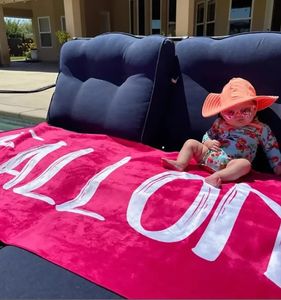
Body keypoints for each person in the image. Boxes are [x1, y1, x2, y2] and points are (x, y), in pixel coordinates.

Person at [162, 77, 281, 188]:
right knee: (191, 143)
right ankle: (180, 163)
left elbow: (271, 147)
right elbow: (208, 135)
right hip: (208, 156)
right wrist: (208, 142)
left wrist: (277, 166)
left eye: (245, 111)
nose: (238, 116)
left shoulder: (261, 128)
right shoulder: (219, 123)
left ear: (254, 109)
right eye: (230, 112)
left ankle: (218, 177)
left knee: (245, 165)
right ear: (222, 112)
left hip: (232, 165)